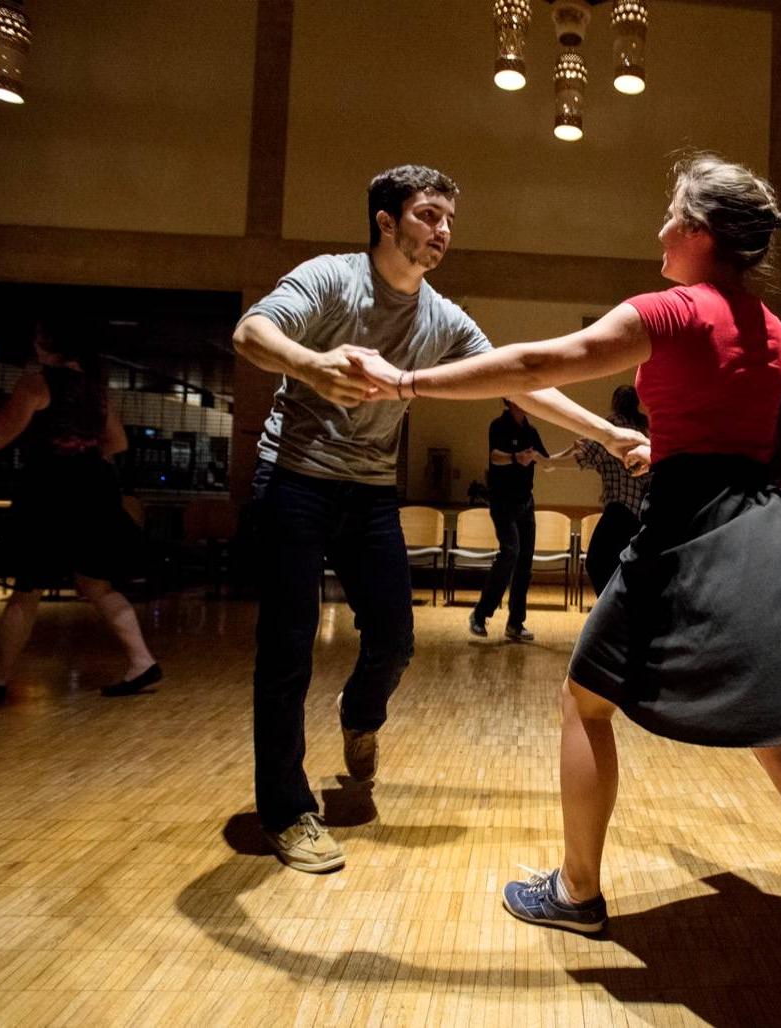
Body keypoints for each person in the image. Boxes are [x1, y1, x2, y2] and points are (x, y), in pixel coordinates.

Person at [349, 154, 781, 997]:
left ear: (700, 234)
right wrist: (649, 442)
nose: (659, 232)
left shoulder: (670, 310)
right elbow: (720, 424)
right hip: (756, 525)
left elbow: (535, 366)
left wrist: (407, 380)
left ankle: (577, 892)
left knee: (583, 701)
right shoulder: (772, 325)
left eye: (671, 217)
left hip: (686, 534)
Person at [231, 165, 646, 875]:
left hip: (367, 493)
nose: (443, 231)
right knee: (288, 646)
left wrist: (607, 435)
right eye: (428, 216)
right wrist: (310, 364)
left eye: (449, 219)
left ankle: (360, 718)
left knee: (394, 640)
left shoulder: (441, 318)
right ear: (386, 222)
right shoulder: (332, 279)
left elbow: (520, 380)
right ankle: (286, 809)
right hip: (294, 479)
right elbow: (251, 331)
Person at [0, 321, 161, 701]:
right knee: (97, 585)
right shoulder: (96, 388)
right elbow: (117, 442)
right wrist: (82, 458)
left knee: (27, 589)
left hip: (48, 496)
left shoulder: (37, 383)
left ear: (47, 344)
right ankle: (142, 662)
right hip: (94, 493)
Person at [469, 400, 550, 641]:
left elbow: (546, 461)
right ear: (511, 399)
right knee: (510, 552)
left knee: (524, 562)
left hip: (526, 502)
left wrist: (573, 453)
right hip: (502, 501)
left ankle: (515, 624)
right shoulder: (498, 426)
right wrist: (517, 458)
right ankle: (480, 615)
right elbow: (495, 457)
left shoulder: (531, 431)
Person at [570, 385, 651, 595]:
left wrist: (554, 459)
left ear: (615, 402)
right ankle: (620, 615)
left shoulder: (613, 424)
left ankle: (609, 612)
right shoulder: (641, 430)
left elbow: (586, 453)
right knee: (622, 566)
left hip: (618, 508)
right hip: (638, 512)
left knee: (596, 563)